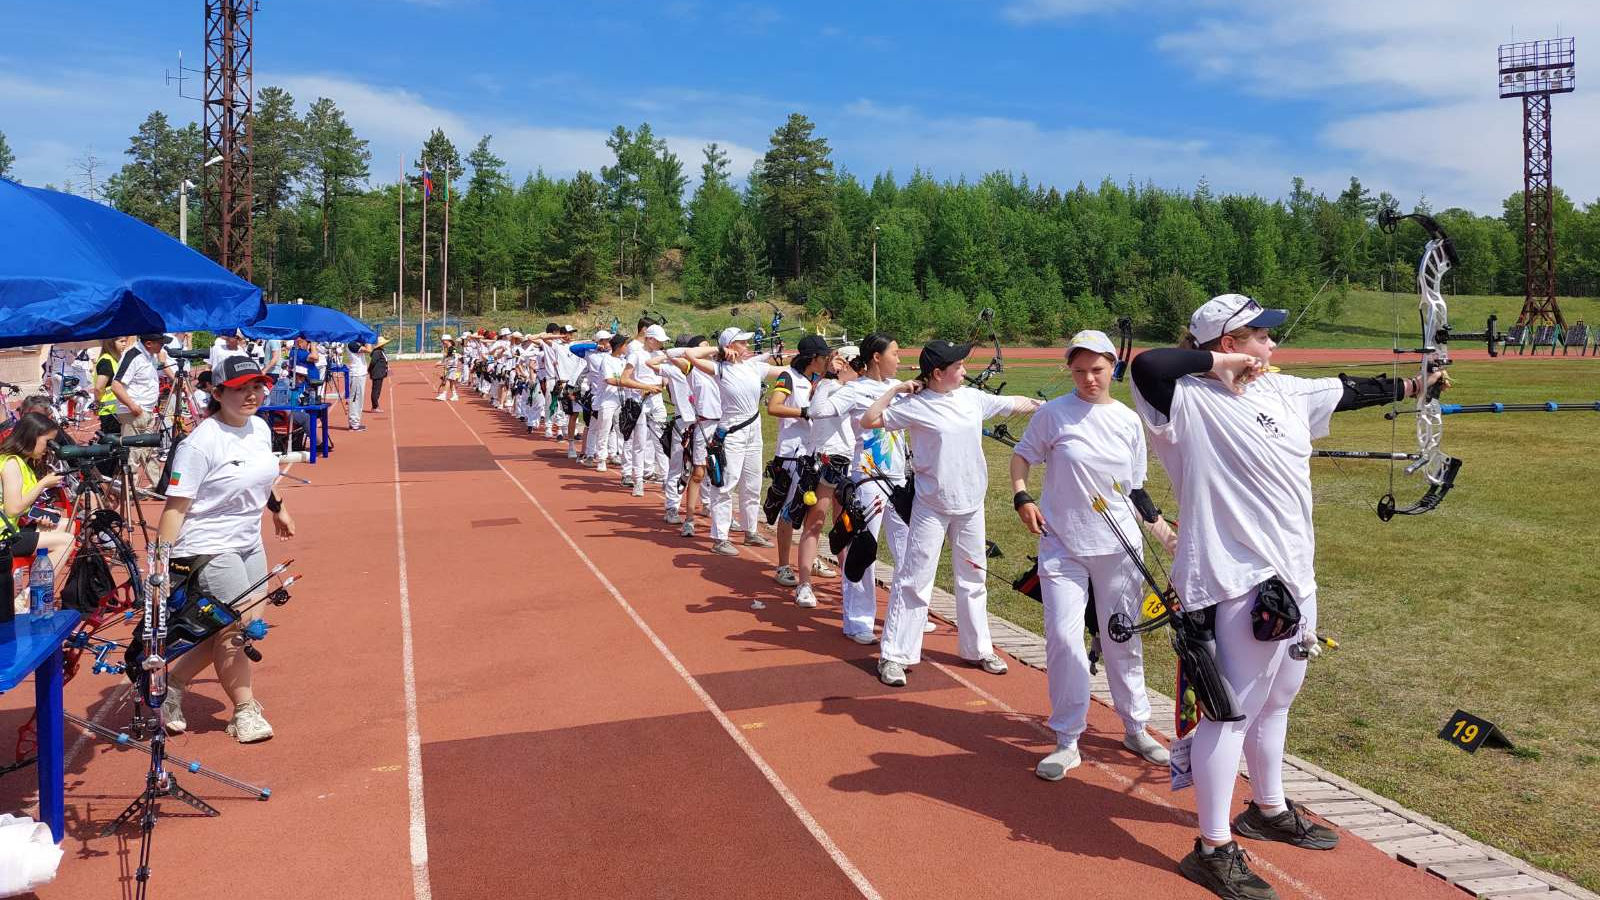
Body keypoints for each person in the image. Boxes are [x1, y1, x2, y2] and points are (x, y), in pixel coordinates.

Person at [1128, 294, 1446, 899]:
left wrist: (1418, 384)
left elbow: (1351, 389)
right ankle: (1213, 847)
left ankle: (1266, 808)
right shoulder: (1186, 400)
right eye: (1260, 337)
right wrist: (1219, 370)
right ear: (1227, 344)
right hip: (1237, 579)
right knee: (1230, 712)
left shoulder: (1284, 390)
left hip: (1297, 575)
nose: (1273, 345)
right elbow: (1147, 365)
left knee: (1279, 698)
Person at [1009, 330, 1176, 782]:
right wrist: (1023, 498)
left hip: (1120, 549)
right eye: (1079, 371)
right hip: (1062, 547)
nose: (1088, 379)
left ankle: (1136, 727)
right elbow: (1022, 458)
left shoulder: (1126, 420)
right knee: (1064, 641)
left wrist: (1165, 535)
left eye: (1097, 370)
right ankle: (1067, 739)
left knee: (1122, 639)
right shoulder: (1053, 415)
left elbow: (1136, 490)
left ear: (1112, 369)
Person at [862, 339, 1042, 687]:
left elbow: (1013, 403)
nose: (964, 370)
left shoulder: (971, 398)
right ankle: (895, 656)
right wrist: (898, 388)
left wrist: (1046, 406)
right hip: (931, 506)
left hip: (971, 505)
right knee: (914, 580)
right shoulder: (915, 405)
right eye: (958, 366)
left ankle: (978, 649)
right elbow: (869, 420)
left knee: (974, 578)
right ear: (937, 373)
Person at [157, 355, 297, 744]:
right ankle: (244, 710)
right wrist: (159, 563)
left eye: (257, 386)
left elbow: (261, 474)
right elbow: (175, 509)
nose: (252, 394)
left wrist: (279, 509)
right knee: (240, 625)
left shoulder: (260, 428)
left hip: (247, 542)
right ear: (217, 393)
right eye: (240, 388)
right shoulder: (199, 444)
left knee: (232, 624)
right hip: (206, 545)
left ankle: (172, 685)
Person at [806, 334, 913, 644]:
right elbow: (818, 411)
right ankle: (858, 621)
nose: (899, 358)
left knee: (908, 551)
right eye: (895, 352)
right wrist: (827, 377)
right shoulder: (853, 390)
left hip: (899, 480)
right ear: (876, 357)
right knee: (863, 551)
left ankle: (905, 614)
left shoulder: (901, 388)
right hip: (867, 480)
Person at [682, 327, 786, 557]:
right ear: (730, 345)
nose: (747, 346)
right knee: (726, 484)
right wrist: (719, 350)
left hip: (753, 432)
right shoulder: (719, 368)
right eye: (742, 342)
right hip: (732, 433)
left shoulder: (753, 366)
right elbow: (689, 354)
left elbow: (785, 371)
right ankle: (720, 537)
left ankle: (750, 532)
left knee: (752, 483)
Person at [764, 335, 833, 603]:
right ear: (811, 358)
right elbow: (774, 406)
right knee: (790, 510)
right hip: (792, 455)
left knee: (812, 510)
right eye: (823, 356)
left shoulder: (814, 380)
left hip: (813, 453)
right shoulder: (789, 377)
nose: (826, 360)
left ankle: (809, 558)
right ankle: (783, 564)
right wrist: (805, 412)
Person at [0, 412, 75, 581]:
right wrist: (43, 484)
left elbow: (10, 505)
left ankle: (33, 583)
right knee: (67, 541)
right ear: (32, 437)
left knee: (66, 525)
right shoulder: (12, 463)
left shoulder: (22, 463)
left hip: (10, 529)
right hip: (3, 537)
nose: (48, 448)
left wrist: (36, 515)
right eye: (47, 442)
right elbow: (12, 510)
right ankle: (31, 596)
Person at [110, 333, 169, 493]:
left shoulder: (150, 355)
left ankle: (159, 485)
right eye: (160, 343)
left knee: (149, 451)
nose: (163, 346)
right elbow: (116, 385)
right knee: (133, 453)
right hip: (134, 412)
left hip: (147, 410)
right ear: (149, 343)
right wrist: (133, 406)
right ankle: (130, 490)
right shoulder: (133, 355)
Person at [617, 323, 670, 497]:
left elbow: (664, 377)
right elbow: (624, 379)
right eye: (659, 340)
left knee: (662, 441)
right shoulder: (636, 354)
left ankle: (666, 478)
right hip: (639, 400)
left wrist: (663, 383)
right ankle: (638, 480)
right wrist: (644, 386)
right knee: (639, 442)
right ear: (650, 339)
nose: (661, 344)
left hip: (656, 400)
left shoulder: (661, 355)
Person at [93, 336, 131, 438]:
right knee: (113, 445)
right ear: (111, 343)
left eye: (125, 341)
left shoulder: (115, 360)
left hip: (117, 409)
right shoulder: (106, 360)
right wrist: (98, 403)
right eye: (121, 341)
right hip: (110, 411)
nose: (124, 344)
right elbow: (99, 388)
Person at [344, 340, 370, 432]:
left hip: (360, 373)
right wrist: (368, 340)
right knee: (355, 399)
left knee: (359, 399)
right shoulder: (351, 344)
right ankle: (354, 424)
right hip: (356, 374)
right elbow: (369, 350)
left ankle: (355, 422)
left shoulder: (356, 343)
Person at [435, 334, 460, 402]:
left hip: (453, 368)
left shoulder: (453, 349)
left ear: (448, 341)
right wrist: (440, 363)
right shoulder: (447, 349)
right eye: (442, 341)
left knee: (448, 380)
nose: (442, 342)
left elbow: (454, 359)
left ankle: (444, 394)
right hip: (450, 367)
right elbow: (445, 359)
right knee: (451, 383)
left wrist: (442, 364)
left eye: (443, 341)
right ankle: (455, 395)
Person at [368, 336, 390, 413]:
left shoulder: (380, 351)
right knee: (376, 390)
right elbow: (373, 362)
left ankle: (375, 405)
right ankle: (374, 406)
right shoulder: (377, 352)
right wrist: (369, 370)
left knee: (378, 390)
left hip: (380, 373)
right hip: (377, 373)